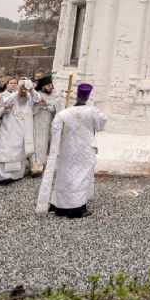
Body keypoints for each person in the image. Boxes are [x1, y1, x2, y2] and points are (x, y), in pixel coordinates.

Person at [36, 83, 108, 218]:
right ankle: (77, 208)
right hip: (85, 150)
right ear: (87, 97)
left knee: (66, 176)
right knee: (81, 176)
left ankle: (60, 206)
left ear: (77, 96)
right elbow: (101, 124)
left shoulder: (65, 113)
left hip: (67, 150)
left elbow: (55, 130)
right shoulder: (92, 111)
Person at [0, 79, 35, 183]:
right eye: (12, 83)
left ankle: (15, 175)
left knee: (18, 151)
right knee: (7, 150)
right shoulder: (4, 95)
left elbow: (36, 100)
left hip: (22, 128)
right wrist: (16, 93)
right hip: (9, 128)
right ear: (7, 84)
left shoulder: (27, 96)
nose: (13, 85)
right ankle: (2, 177)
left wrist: (30, 89)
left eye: (15, 83)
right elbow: (6, 104)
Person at [30, 74, 56, 175]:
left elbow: (55, 108)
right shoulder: (37, 94)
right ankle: (33, 165)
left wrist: (46, 104)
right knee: (34, 143)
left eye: (51, 85)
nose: (50, 87)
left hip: (47, 123)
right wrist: (38, 105)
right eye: (48, 86)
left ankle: (39, 165)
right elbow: (32, 109)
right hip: (36, 122)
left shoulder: (55, 94)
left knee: (43, 144)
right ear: (43, 86)